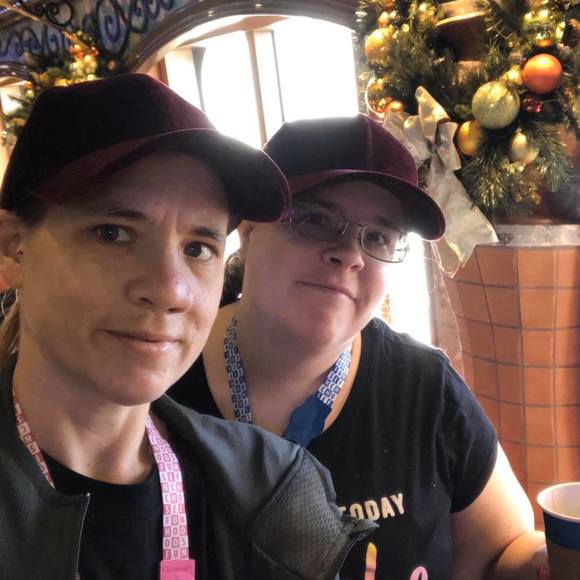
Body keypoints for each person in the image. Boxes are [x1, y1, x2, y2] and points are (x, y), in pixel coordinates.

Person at [0, 74, 376, 580]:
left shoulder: (272, 491)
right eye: (112, 233)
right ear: (13, 249)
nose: (170, 290)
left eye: (198, 248)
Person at [169, 114, 548, 580]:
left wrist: (551, 560)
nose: (349, 254)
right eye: (314, 220)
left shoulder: (424, 387)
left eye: (379, 237)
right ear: (248, 231)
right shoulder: (159, 376)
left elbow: (505, 549)